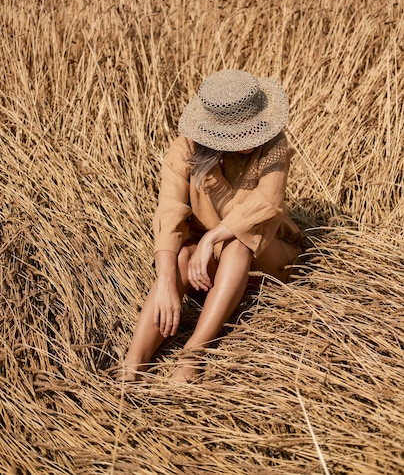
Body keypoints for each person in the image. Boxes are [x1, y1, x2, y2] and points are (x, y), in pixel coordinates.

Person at [118, 69, 302, 383]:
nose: (249, 139)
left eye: (253, 129)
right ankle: (132, 364)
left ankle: (193, 354)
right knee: (177, 260)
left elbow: (267, 203)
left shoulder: (275, 145)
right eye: (239, 133)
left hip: (268, 253)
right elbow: (170, 212)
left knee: (237, 243)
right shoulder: (186, 148)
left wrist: (212, 238)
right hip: (207, 262)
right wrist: (165, 280)